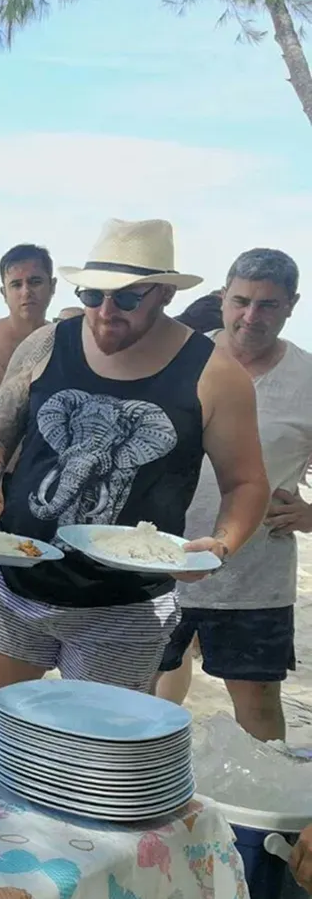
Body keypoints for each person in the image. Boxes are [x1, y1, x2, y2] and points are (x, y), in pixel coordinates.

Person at [0, 218, 270, 701]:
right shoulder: (46, 344)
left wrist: (220, 545)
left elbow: (246, 483)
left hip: (124, 609)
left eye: (127, 298)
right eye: (93, 295)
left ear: (164, 294)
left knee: (94, 743)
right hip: (11, 585)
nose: (105, 312)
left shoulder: (214, 374)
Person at [156, 249, 312, 740]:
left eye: (268, 305)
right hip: (156, 566)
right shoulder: (177, 358)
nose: (251, 316)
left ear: (292, 305)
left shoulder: (307, 379)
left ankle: (264, 795)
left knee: (258, 710)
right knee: (134, 693)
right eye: (241, 301)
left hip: (254, 579)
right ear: (223, 298)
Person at [0, 244, 56, 426]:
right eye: (16, 284)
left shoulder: (65, 342)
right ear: (4, 293)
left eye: (35, 282)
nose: (26, 292)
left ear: (52, 286)